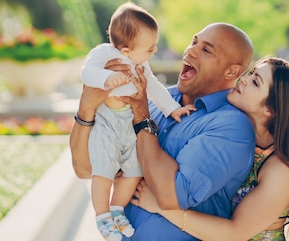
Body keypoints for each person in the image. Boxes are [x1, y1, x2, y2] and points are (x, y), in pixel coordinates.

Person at [70, 22, 255, 241]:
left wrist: (141, 116)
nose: (191, 50)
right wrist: (87, 108)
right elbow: (86, 169)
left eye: (206, 49)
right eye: (194, 41)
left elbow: (171, 196)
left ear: (232, 71)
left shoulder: (231, 125)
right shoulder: (156, 100)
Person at [131, 56, 289, 241]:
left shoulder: (280, 170)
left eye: (256, 82)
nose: (244, 80)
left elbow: (235, 232)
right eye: (250, 73)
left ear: (270, 110)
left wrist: (161, 207)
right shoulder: (228, 134)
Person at [79, 1, 195, 241]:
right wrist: (107, 78)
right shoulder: (103, 54)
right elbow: (86, 72)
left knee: (134, 169)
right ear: (125, 51)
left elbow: (153, 87)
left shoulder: (141, 63)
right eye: (149, 48)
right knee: (103, 171)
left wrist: (173, 108)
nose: (154, 52)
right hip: (107, 122)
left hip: (129, 122)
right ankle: (102, 217)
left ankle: (117, 209)